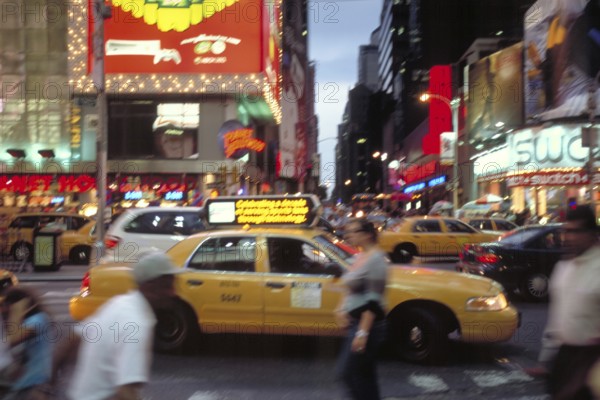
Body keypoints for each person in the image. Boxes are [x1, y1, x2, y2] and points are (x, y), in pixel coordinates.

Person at [52, 252, 183, 400]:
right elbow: (126, 392)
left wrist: (46, 386)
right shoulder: (137, 323)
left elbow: (73, 339)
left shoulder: (119, 303)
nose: (173, 292)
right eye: (167, 285)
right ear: (149, 286)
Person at [533, 205, 600, 399]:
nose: (569, 238)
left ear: (591, 234)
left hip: (592, 360)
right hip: (565, 358)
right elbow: (557, 318)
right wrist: (546, 360)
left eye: (575, 232)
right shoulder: (563, 268)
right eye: (566, 231)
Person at [335, 219, 389, 400]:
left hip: (368, 327)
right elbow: (352, 286)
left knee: (349, 373)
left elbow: (373, 301)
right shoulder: (359, 256)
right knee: (363, 375)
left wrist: (362, 334)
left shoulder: (376, 260)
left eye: (353, 231)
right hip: (356, 323)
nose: (348, 235)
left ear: (367, 234)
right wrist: (342, 308)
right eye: (347, 231)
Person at [1, 287, 54, 400]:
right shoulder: (24, 321)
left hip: (34, 385)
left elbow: (13, 339)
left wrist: (16, 312)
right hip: (21, 384)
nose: (5, 310)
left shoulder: (38, 319)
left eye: (7, 306)